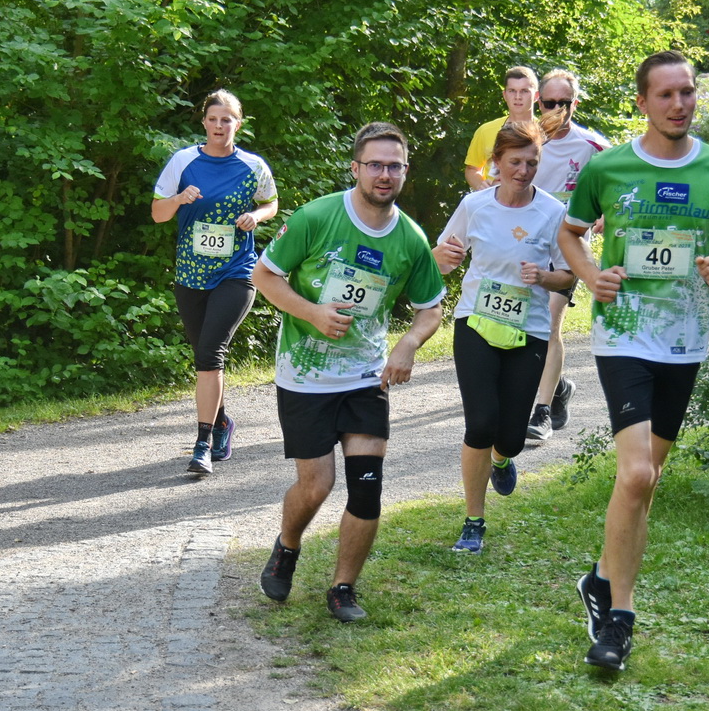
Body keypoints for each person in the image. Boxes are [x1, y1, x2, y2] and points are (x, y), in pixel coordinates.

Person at [558, 50, 709, 671]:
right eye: (666, 95)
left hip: (686, 338)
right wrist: (590, 274)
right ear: (641, 103)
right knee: (637, 474)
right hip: (623, 334)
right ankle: (619, 617)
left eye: (688, 93)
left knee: (646, 481)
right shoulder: (609, 166)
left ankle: (599, 578)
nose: (680, 104)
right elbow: (571, 231)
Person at [254, 122, 445, 622]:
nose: (385, 175)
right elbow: (264, 276)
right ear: (356, 169)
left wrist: (406, 345)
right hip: (304, 376)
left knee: (366, 484)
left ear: (405, 172)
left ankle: (343, 588)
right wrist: (312, 313)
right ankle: (288, 545)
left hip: (364, 377)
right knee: (316, 486)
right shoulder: (318, 217)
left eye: (395, 166)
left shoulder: (410, 239)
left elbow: (430, 308)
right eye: (376, 165)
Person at [433, 120, 575, 553]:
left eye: (532, 162)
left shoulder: (553, 212)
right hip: (475, 321)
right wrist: (443, 257)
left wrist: (547, 277)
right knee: (480, 424)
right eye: (515, 162)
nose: (523, 170)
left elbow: (570, 276)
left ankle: (502, 457)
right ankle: (473, 522)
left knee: (511, 437)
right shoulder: (474, 206)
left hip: (527, 331)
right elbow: (440, 263)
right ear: (496, 162)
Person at [151, 90, 279, 475]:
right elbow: (158, 213)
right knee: (204, 357)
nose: (220, 126)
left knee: (211, 354)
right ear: (204, 122)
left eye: (228, 120)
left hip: (237, 272)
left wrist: (257, 216)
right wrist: (179, 199)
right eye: (213, 119)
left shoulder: (253, 165)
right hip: (191, 275)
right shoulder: (184, 161)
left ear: (238, 124)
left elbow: (271, 202)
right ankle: (222, 421)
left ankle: (202, 443)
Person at [524, 69, 609, 446]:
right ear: (538, 101)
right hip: (525, 241)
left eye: (564, 102)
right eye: (549, 101)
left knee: (549, 323)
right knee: (522, 323)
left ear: (575, 104)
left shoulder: (591, 145)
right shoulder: (525, 140)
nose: (556, 109)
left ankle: (541, 411)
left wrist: (606, 211)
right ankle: (558, 387)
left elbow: (620, 183)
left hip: (568, 244)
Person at [464, 67, 539, 191]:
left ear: (536, 96)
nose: (518, 97)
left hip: (535, 203)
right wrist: (481, 185)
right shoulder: (486, 130)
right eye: (512, 91)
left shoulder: (546, 132)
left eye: (524, 91)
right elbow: (472, 169)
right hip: (495, 202)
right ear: (504, 95)